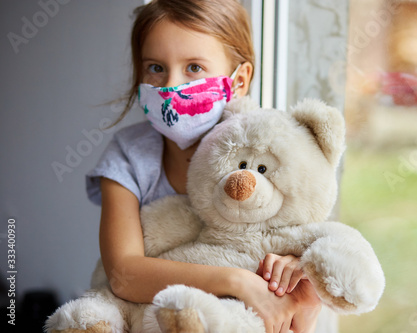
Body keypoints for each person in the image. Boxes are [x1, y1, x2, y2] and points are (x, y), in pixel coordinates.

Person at [86, 1, 322, 332]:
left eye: (194, 67)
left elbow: (301, 236)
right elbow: (124, 276)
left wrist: (294, 270)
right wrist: (238, 281)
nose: (170, 86)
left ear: (239, 81)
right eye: (155, 67)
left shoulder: (271, 149)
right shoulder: (128, 155)